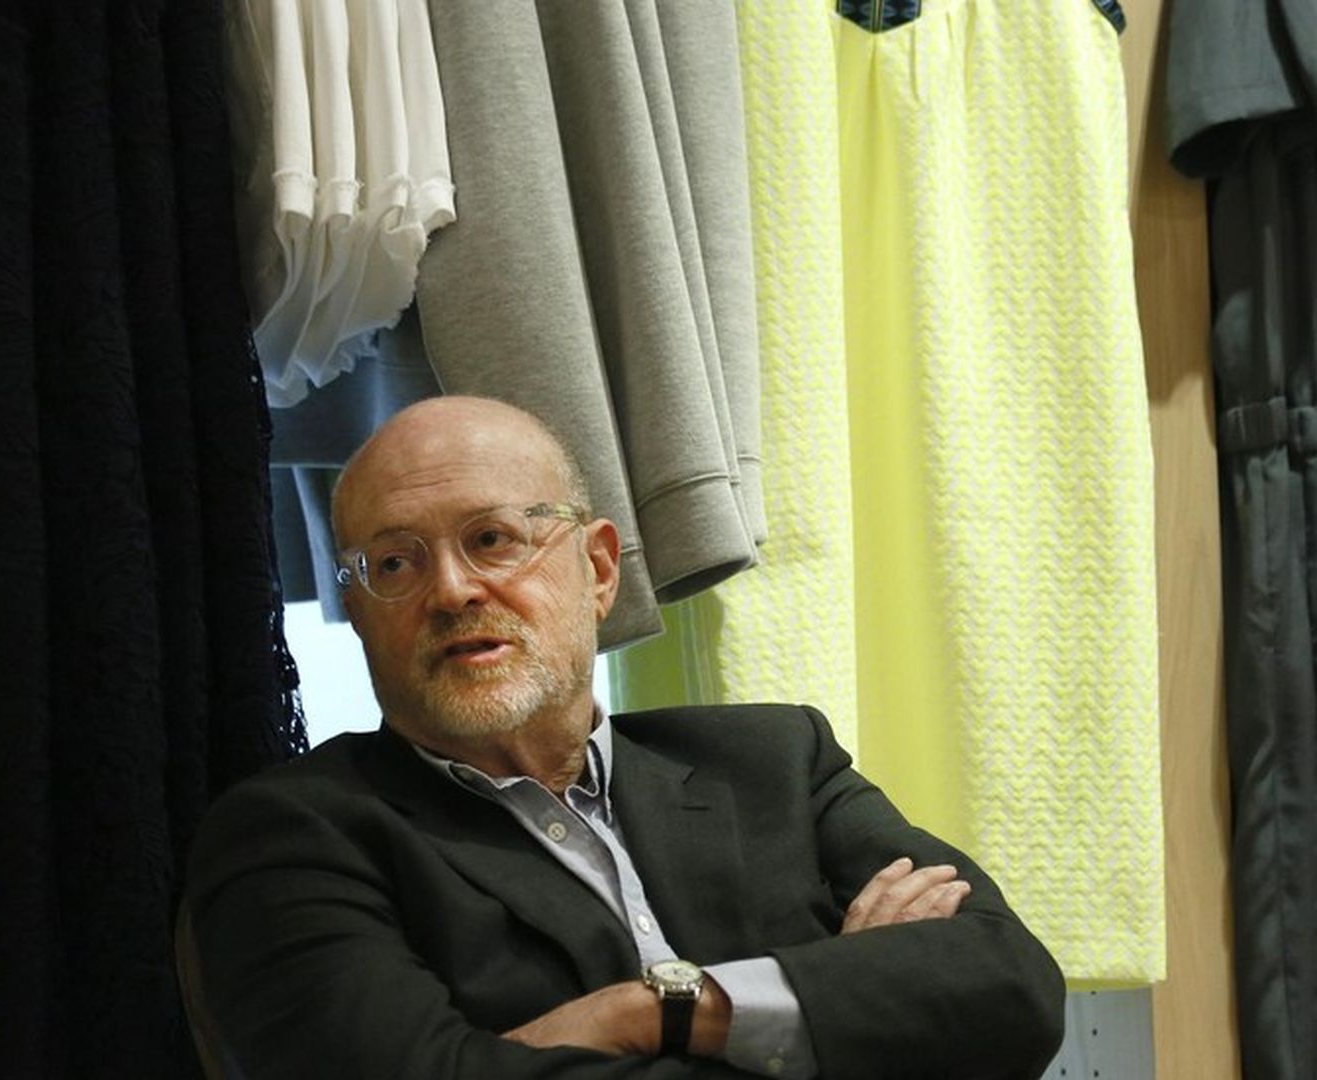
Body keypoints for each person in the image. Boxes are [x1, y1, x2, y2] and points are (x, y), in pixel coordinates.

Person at [183, 397, 1066, 1079]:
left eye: (492, 539)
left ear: (600, 569)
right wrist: (842, 1012)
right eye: (394, 563)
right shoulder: (294, 836)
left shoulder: (776, 761)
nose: (451, 591)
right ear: (356, 610)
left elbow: (1010, 990)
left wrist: (647, 1011)